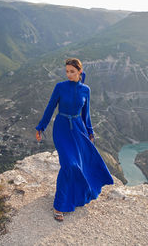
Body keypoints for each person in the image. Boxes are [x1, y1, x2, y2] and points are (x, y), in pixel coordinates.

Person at [35, 57, 114, 222]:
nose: (69, 74)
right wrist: (41, 127)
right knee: (69, 165)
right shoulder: (60, 87)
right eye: (67, 71)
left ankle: (77, 196)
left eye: (72, 71)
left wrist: (90, 132)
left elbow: (86, 114)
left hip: (78, 129)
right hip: (62, 128)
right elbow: (50, 107)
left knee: (81, 164)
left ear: (80, 72)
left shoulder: (86, 90)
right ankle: (59, 206)